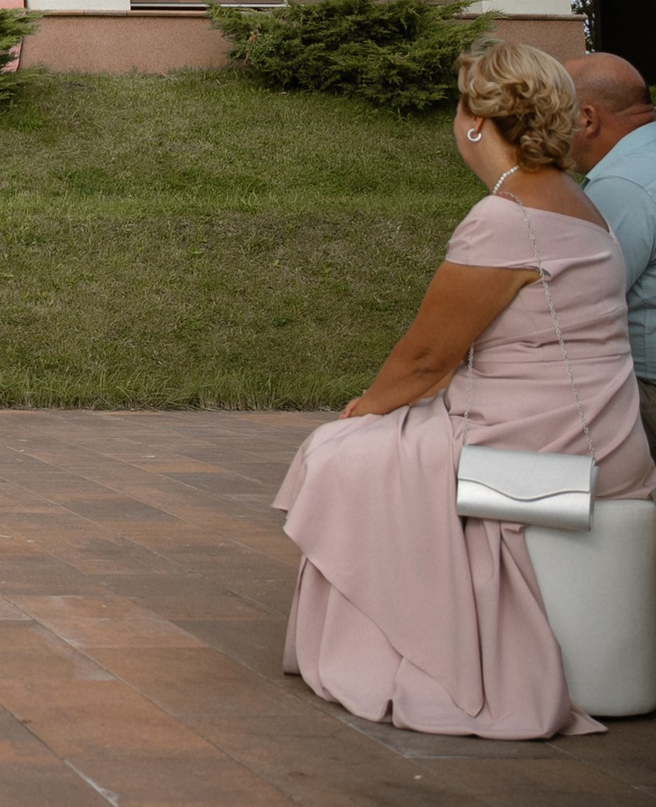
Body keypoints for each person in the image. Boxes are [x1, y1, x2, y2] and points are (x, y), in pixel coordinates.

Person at [274, 39, 656, 739]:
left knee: (341, 453)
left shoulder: (505, 218)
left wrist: (368, 406)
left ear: (476, 122)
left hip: (544, 453)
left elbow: (425, 359)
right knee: (371, 447)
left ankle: (393, 648)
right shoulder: (584, 206)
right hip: (610, 443)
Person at [567, 51, 656, 444]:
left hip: (645, 390)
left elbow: (576, 307)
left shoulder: (621, 185)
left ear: (587, 118)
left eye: (553, 114)